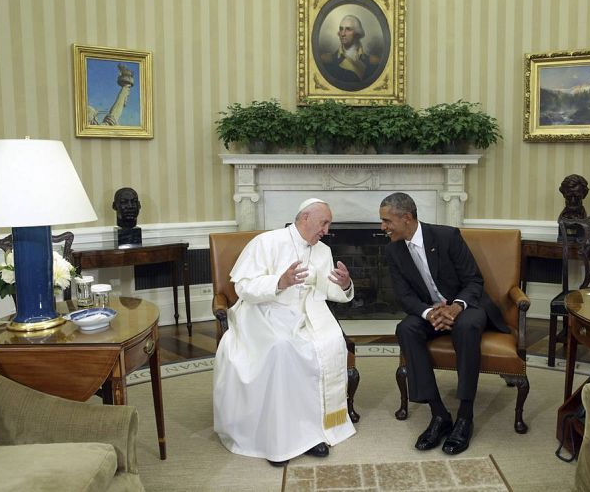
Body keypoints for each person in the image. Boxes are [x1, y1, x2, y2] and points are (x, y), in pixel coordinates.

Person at [213, 198, 356, 466]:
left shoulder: (323, 251)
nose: (327, 230)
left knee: (325, 346)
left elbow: (329, 290)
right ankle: (277, 440)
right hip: (263, 313)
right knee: (282, 349)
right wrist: (279, 282)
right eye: (323, 223)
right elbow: (243, 288)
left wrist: (346, 285)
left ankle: (312, 433)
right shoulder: (267, 242)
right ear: (305, 218)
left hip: (306, 315)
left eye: (328, 224)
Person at [378, 192, 510, 455]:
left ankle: (465, 416)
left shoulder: (447, 236)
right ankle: (439, 414)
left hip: (466, 305)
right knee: (406, 328)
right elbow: (404, 296)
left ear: (406, 218)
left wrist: (455, 307)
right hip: (431, 310)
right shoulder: (393, 250)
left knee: (467, 326)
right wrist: (430, 314)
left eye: (386, 221)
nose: (383, 227)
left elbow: (474, 280)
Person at [319, 14, 380, 88]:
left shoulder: (373, 62)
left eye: (348, 29)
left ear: (357, 33)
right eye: (341, 29)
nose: (343, 34)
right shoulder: (327, 60)